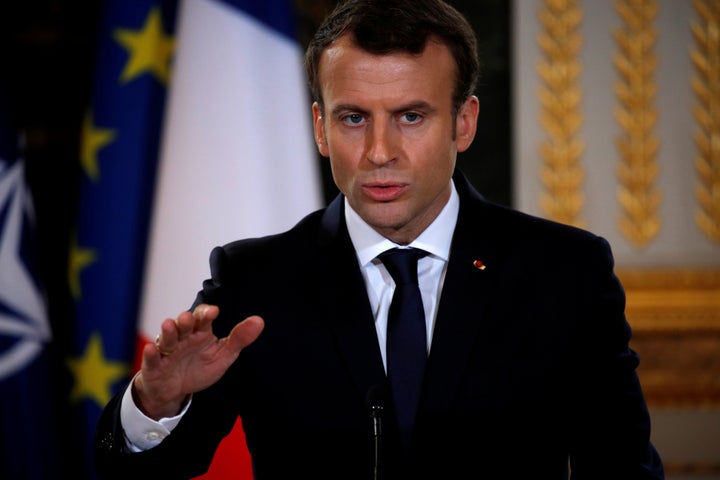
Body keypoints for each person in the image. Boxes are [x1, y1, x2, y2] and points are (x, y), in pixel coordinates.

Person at [94, 0, 665, 478]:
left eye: (411, 117)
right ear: (320, 127)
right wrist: (156, 403)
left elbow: (621, 469)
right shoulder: (257, 280)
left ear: (463, 123)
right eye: (353, 119)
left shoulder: (564, 271)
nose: (379, 152)